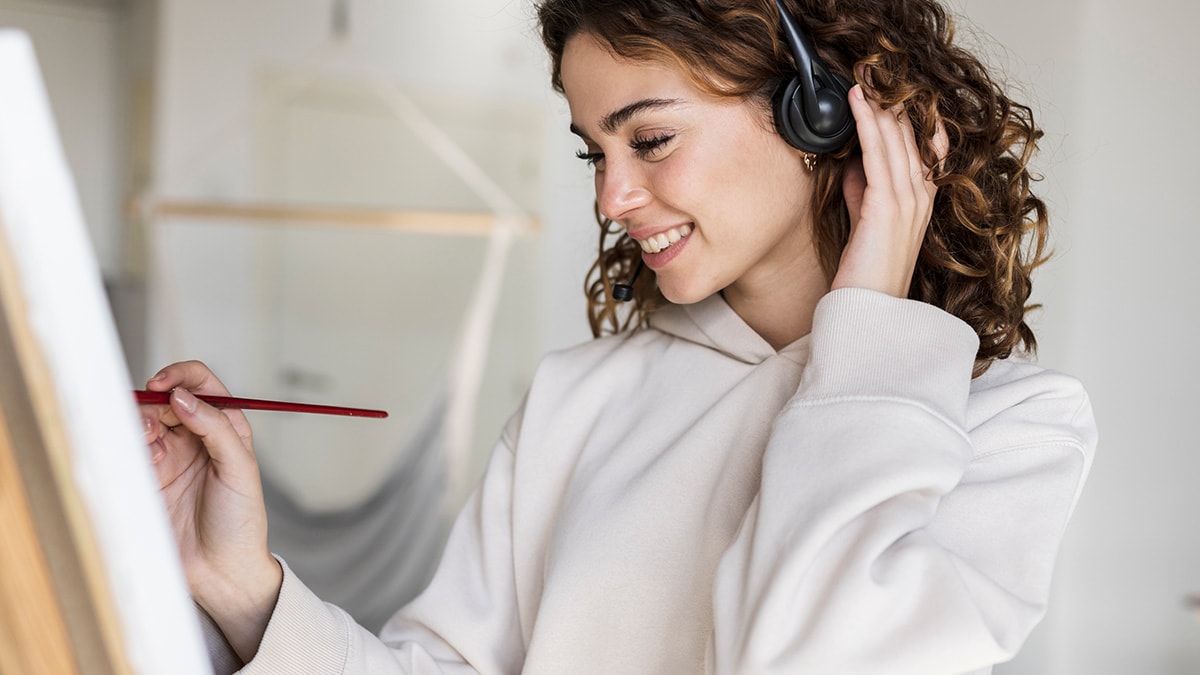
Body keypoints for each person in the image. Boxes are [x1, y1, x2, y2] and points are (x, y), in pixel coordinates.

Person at [141, 0, 1097, 673]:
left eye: (649, 140)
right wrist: (241, 586)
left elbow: (811, 658)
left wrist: (873, 319)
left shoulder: (1011, 432)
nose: (610, 197)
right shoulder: (575, 398)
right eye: (594, 150)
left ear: (822, 112)